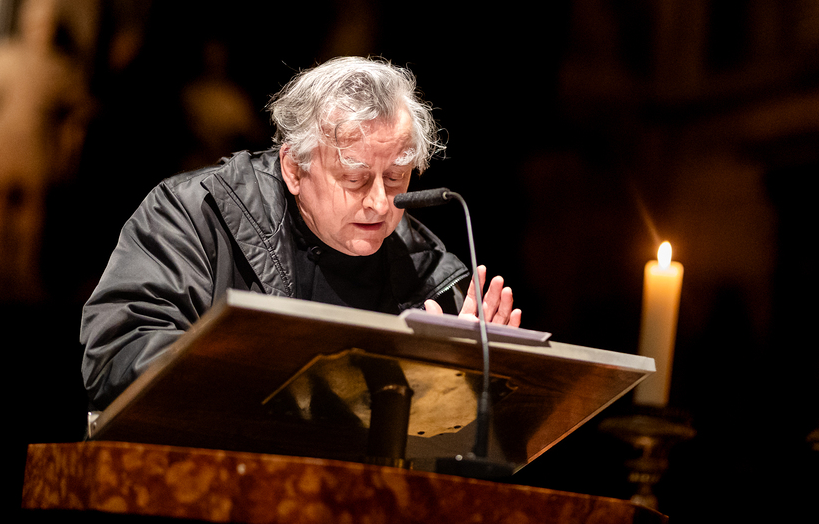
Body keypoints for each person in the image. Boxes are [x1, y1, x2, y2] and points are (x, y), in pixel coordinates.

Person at [80, 56, 520, 410]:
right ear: (293, 168)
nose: (380, 203)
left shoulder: (427, 269)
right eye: (354, 179)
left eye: (395, 177)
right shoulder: (195, 214)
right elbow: (117, 355)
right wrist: (282, 379)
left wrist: (461, 381)